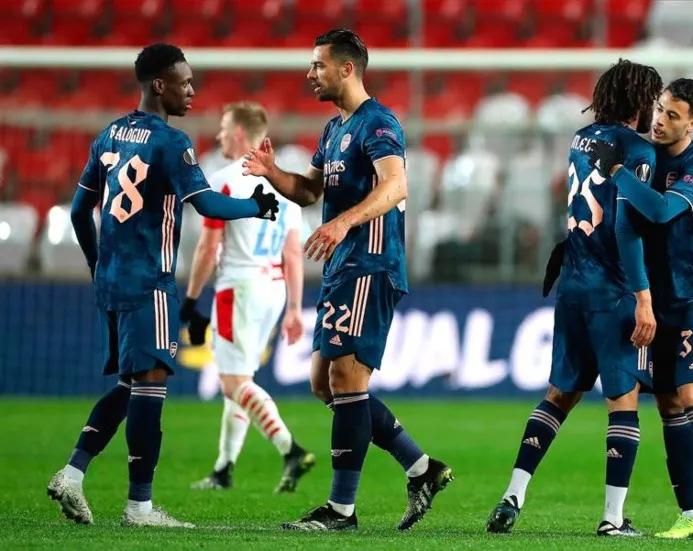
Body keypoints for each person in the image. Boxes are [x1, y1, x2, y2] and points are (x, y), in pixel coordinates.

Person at [46, 43, 281, 528]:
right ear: (160, 84)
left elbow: (76, 212)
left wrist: (96, 265)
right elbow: (209, 205)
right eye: (185, 82)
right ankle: (141, 507)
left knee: (132, 383)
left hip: (111, 279)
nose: (192, 90)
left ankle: (72, 472)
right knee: (150, 387)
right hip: (150, 280)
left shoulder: (110, 133)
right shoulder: (171, 143)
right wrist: (256, 206)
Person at [242, 29, 452, 532]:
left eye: (318, 65)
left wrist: (344, 222)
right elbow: (312, 190)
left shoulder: (378, 122)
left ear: (346, 69)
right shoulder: (335, 128)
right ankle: (423, 468)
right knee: (324, 383)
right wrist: (273, 172)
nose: (309, 74)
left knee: (347, 380)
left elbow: (397, 183)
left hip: (370, 262)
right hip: (342, 267)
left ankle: (341, 510)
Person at [486, 59, 662, 537]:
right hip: (613, 289)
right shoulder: (638, 150)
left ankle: (512, 495)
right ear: (640, 100)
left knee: (559, 395)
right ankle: (611, 519)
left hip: (573, 284)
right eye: (653, 100)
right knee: (623, 400)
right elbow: (628, 227)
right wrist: (644, 297)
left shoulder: (579, 140)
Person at [591, 78, 693, 540]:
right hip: (659, 304)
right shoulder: (646, 158)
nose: (660, 120)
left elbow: (660, 212)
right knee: (668, 407)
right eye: (659, 110)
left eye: (673, 115)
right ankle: (692, 514)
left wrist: (618, 172)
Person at [183, 101, 315, 494]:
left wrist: (190, 301)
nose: (219, 135)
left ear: (240, 133)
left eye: (224, 128)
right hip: (273, 290)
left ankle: (290, 449)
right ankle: (224, 469)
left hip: (239, 287)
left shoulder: (223, 179)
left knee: (231, 382)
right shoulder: (285, 184)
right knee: (242, 379)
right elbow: (294, 251)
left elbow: (208, 248)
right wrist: (293, 307)